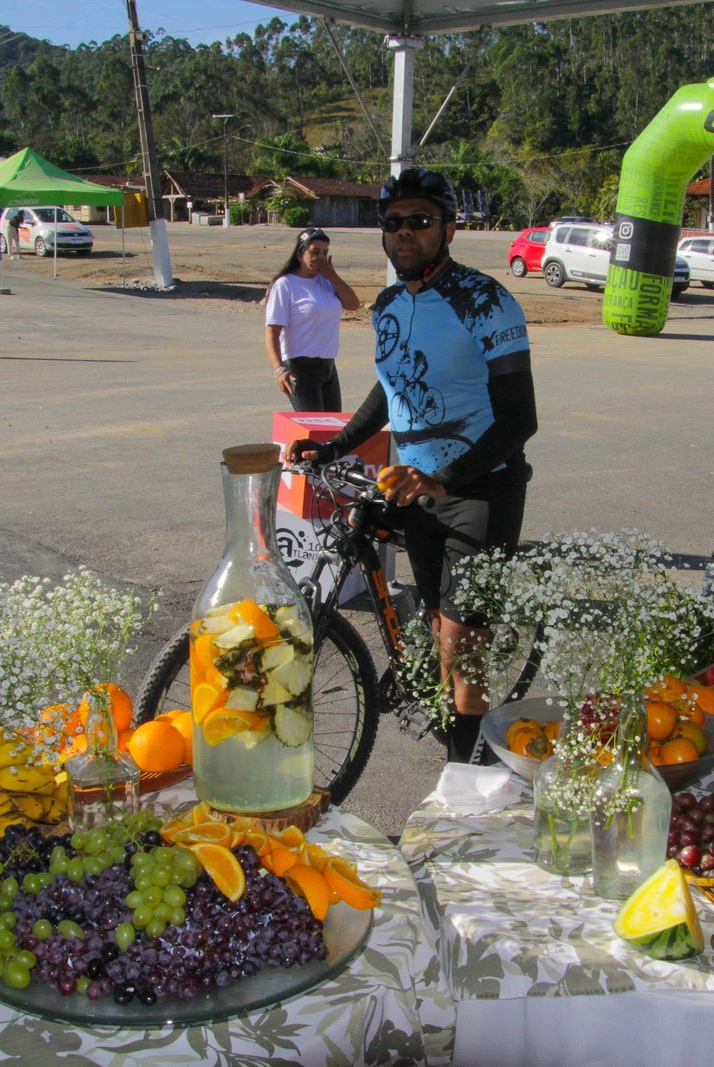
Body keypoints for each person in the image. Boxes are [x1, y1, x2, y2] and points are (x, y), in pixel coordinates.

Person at [286, 168, 536, 764]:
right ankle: (453, 726)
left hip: (481, 491)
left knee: (462, 645)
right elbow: (390, 386)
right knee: (436, 621)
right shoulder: (390, 303)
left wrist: (441, 478)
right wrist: (336, 445)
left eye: (420, 220)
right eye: (393, 222)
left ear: (448, 228)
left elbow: (519, 419)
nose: (404, 232)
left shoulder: (487, 301)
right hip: (416, 488)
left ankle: (462, 774)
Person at [264, 227, 360, 412]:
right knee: (314, 426)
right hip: (300, 367)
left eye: (325, 252)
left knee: (332, 426)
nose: (321, 257)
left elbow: (353, 304)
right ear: (300, 254)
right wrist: (278, 369)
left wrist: (332, 275)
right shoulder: (285, 285)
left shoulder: (327, 282)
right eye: (315, 252)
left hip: (328, 366)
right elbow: (272, 331)